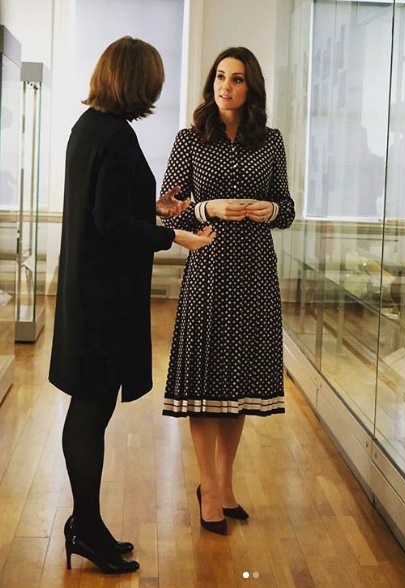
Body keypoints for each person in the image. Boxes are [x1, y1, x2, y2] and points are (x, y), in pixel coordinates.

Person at [50, 37, 215, 574]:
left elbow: (106, 206)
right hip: (103, 299)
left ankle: (87, 525)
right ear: (137, 82)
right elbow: (111, 224)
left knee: (88, 406)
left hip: (86, 292)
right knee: (91, 409)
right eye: (153, 82)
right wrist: (174, 235)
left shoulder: (89, 126)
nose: (156, 92)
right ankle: (87, 528)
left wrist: (154, 207)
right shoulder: (117, 135)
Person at [159, 47, 295, 535]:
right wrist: (207, 208)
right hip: (209, 267)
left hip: (255, 270)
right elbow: (165, 210)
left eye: (236, 79)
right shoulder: (190, 138)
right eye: (220, 77)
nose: (226, 86)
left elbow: (287, 207)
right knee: (205, 382)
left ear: (250, 86)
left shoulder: (270, 140)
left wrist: (270, 211)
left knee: (238, 386)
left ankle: (224, 483)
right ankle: (209, 488)